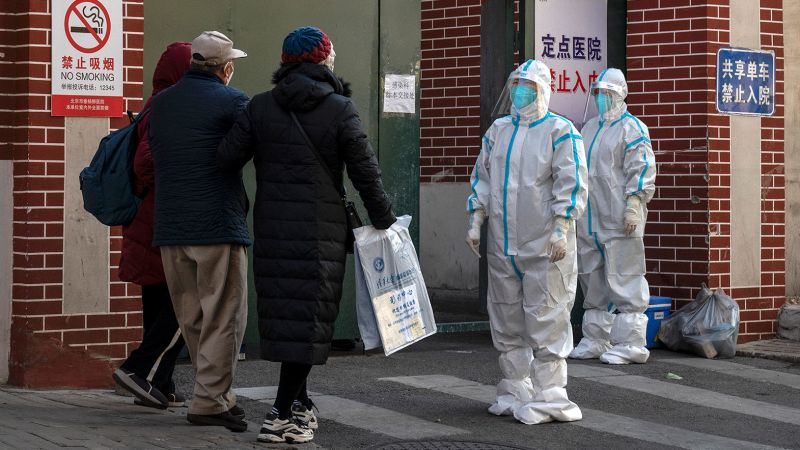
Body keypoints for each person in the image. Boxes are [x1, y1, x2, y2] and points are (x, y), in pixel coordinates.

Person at [217, 26, 395, 444]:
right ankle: (281, 413)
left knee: (289, 319)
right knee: (310, 319)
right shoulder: (340, 109)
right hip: (321, 232)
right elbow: (365, 173)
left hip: (274, 228)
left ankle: (300, 403)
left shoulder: (260, 108)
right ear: (323, 62)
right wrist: (383, 220)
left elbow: (225, 158)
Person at [465, 59, 586, 425]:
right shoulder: (499, 131)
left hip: (545, 246)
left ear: (543, 90)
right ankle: (514, 386)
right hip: (504, 246)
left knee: (547, 315)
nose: (520, 91)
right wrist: (476, 218)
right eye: (516, 83)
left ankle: (551, 395)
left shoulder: (560, 131)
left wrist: (562, 226)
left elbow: (572, 182)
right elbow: (482, 176)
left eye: (528, 86)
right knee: (505, 316)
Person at [148, 31, 250, 432]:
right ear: (225, 68)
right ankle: (210, 401)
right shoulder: (234, 100)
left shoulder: (162, 103)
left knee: (191, 315)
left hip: (171, 226)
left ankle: (216, 395)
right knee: (224, 315)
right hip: (217, 224)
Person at [113, 42, 192, 410]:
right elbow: (146, 164)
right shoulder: (165, 108)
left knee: (159, 303)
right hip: (161, 221)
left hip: (149, 223)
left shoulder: (154, 105)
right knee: (184, 304)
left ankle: (160, 384)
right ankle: (140, 372)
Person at [569, 68, 657, 365]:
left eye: (608, 93)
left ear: (621, 94)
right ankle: (596, 338)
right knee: (592, 279)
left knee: (625, 276)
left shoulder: (633, 128)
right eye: (598, 93)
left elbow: (641, 168)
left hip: (620, 217)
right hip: (590, 218)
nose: (602, 98)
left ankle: (632, 343)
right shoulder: (590, 127)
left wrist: (634, 203)